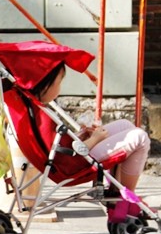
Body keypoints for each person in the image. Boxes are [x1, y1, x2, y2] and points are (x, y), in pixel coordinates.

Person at [29, 63, 151, 222]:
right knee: (140, 137)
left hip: (70, 153)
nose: (60, 88)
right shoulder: (42, 116)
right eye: (59, 83)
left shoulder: (36, 109)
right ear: (45, 86)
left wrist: (83, 136)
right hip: (72, 162)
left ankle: (116, 192)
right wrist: (95, 139)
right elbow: (68, 151)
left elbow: (57, 144)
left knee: (124, 126)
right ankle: (124, 199)